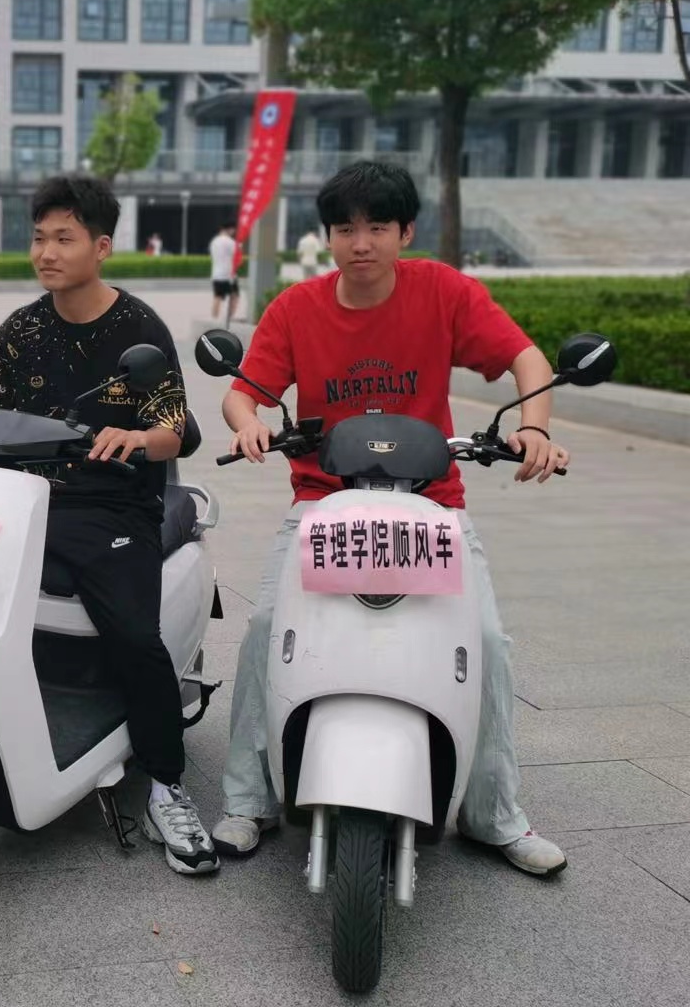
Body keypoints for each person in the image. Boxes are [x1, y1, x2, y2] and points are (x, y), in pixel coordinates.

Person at [212, 160, 570, 877]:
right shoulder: (296, 308)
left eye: (378, 226)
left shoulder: (443, 290)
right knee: (263, 628)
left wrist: (533, 427)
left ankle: (493, 812)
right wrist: (248, 422)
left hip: (430, 503)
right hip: (323, 502)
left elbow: (526, 359)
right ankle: (249, 797)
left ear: (405, 232)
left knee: (487, 642)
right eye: (345, 228)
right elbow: (243, 391)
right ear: (329, 237)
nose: (361, 243)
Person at [0, 176, 218, 877]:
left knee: (134, 636)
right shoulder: (23, 328)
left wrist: (137, 440)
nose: (46, 252)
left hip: (111, 505)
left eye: (64, 238)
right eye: (39, 238)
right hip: (21, 497)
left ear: (102, 246)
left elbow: (174, 428)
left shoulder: (140, 331)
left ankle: (166, 782)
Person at [209, 224, 239, 326]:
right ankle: (230, 317)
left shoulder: (214, 241)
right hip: (228, 275)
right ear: (230, 229)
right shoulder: (230, 242)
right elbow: (237, 255)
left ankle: (214, 318)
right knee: (234, 296)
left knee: (217, 297)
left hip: (216, 274)